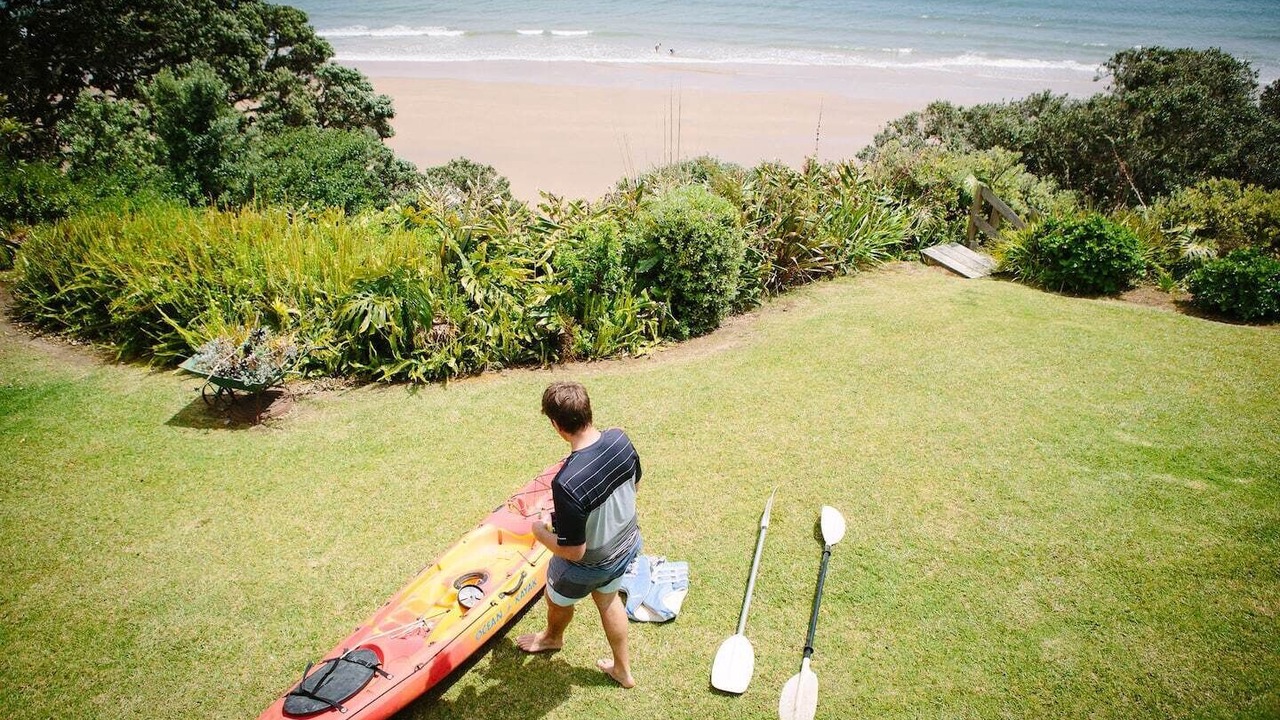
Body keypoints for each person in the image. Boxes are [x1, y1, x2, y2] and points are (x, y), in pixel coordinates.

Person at [516, 381, 643, 689]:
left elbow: (574, 552)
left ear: (556, 425)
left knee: (556, 599)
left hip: (589, 563)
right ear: (588, 410)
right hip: (626, 544)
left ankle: (551, 638)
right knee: (607, 598)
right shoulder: (620, 440)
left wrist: (540, 532)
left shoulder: (567, 483)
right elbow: (634, 485)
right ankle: (623, 671)